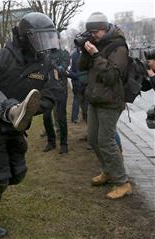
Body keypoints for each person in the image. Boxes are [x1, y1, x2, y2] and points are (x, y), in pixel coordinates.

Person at [0, 12, 61, 237]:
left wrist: (29, 110)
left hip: (18, 128)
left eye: (48, 39)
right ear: (25, 37)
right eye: (40, 39)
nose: (45, 45)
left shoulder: (45, 63)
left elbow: (52, 93)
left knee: (18, 174)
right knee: (1, 176)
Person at [79, 12, 132, 199]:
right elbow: (81, 67)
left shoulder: (119, 46)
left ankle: (122, 182)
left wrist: (96, 54)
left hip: (111, 101)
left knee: (106, 141)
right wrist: (86, 53)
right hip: (95, 99)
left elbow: (111, 76)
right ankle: (108, 171)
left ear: (104, 28)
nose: (92, 35)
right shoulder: (98, 44)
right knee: (93, 140)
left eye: (94, 32)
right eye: (89, 32)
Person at [43, 48, 70, 154]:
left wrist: (52, 64)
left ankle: (64, 144)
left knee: (61, 117)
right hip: (47, 89)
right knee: (46, 116)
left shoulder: (64, 53)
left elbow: (63, 69)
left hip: (60, 88)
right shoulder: (45, 54)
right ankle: (51, 142)